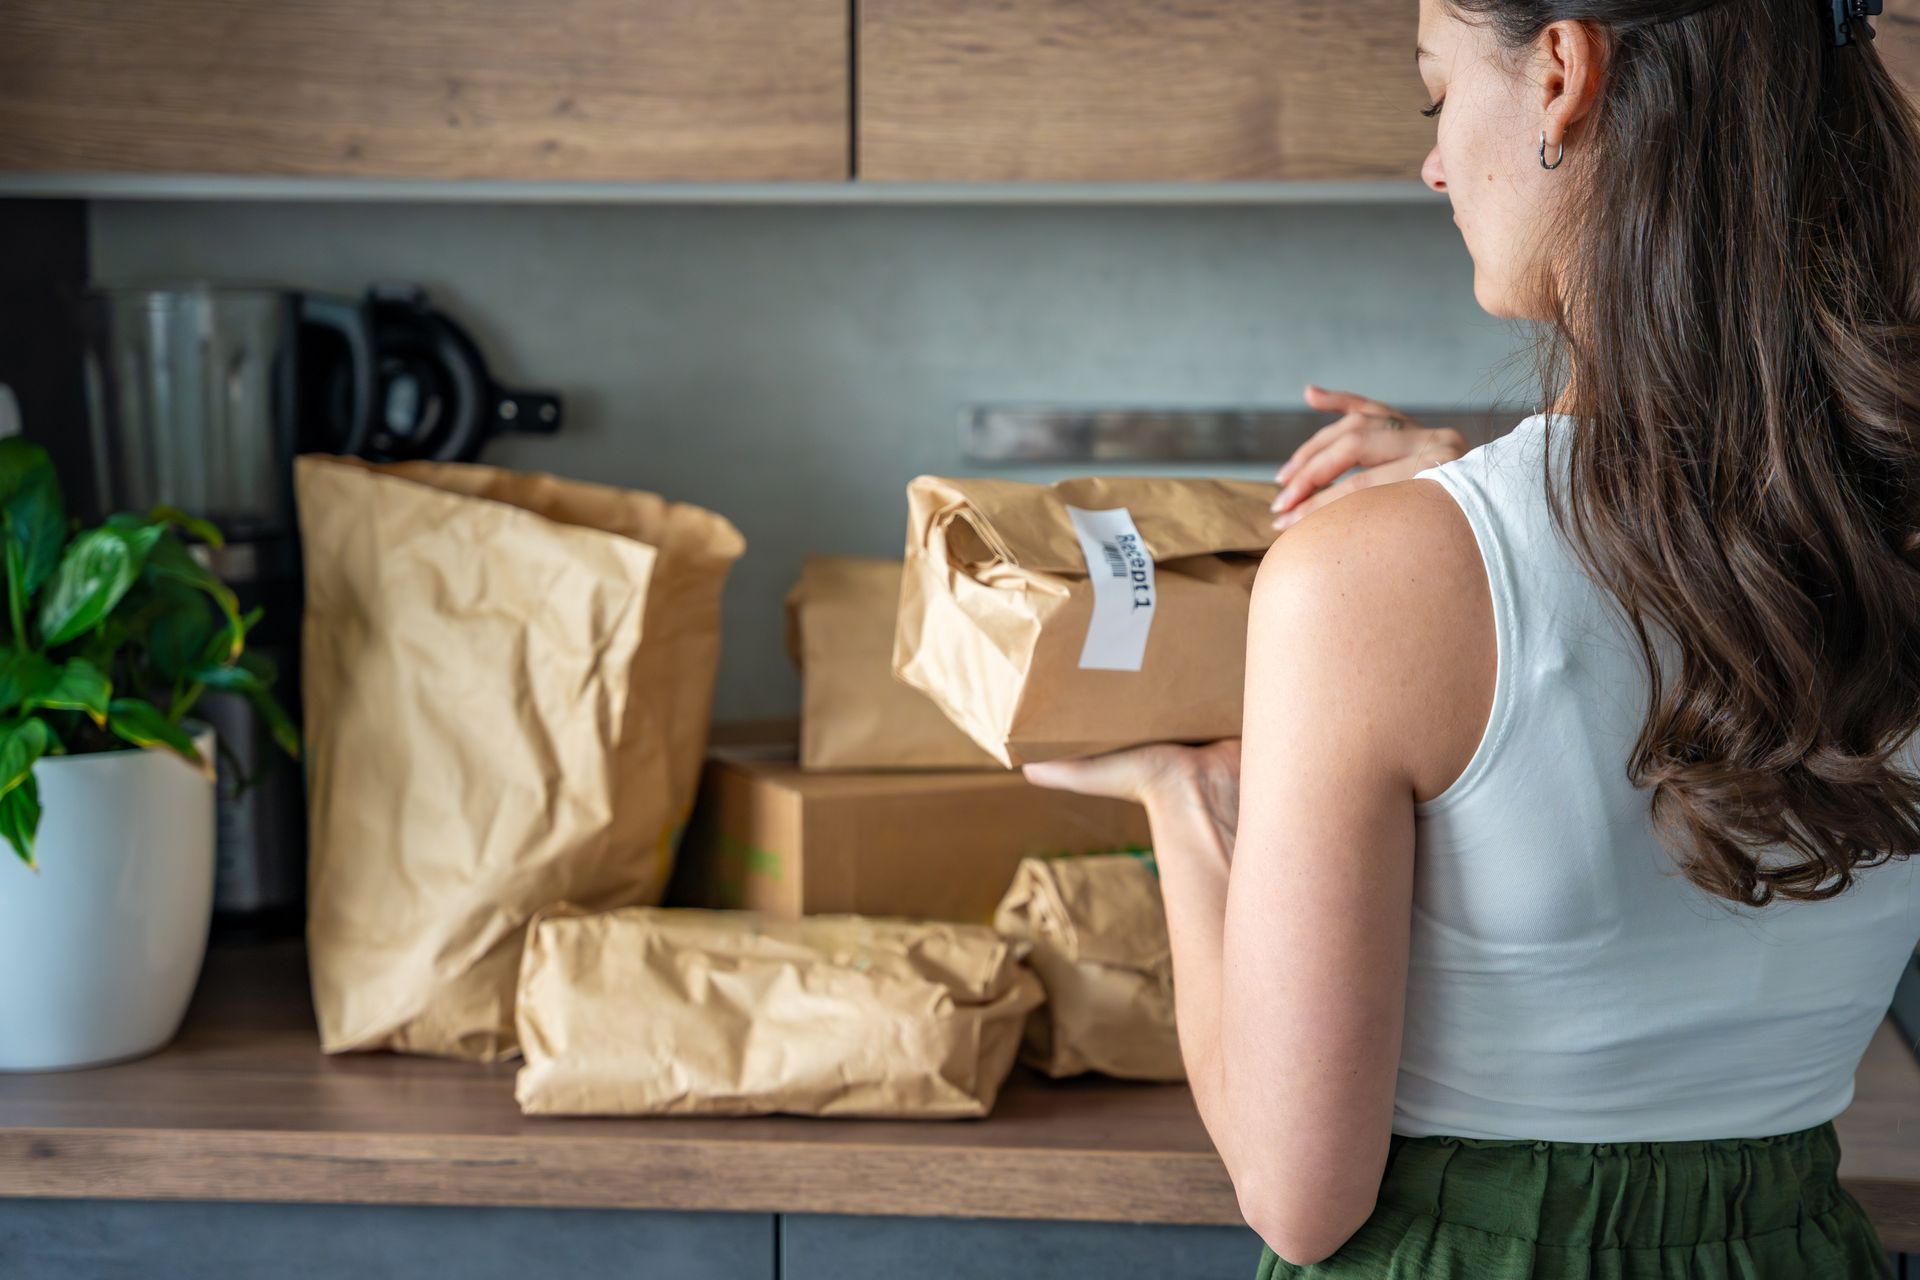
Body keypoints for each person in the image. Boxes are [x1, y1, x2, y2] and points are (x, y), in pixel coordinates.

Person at [1023, 0, 1920, 1275]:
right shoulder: (1882, 542)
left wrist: (1187, 796)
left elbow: (1296, 1193)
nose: (1436, 161)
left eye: (1437, 96)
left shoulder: (1364, 580)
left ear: (1562, 72)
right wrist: (1480, 507)